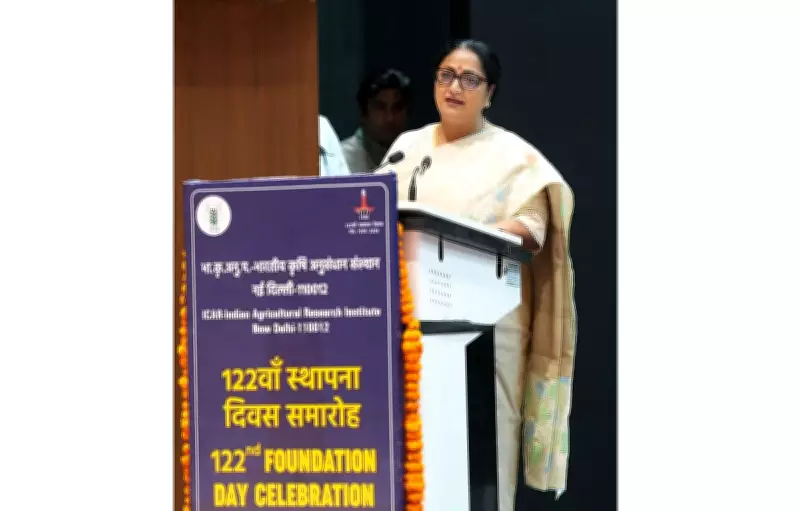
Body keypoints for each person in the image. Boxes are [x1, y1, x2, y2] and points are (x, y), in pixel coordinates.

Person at [377, 40, 577, 510]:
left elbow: (532, 229)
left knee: (480, 461)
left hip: (485, 330)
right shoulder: (407, 148)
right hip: (406, 325)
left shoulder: (514, 158)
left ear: (489, 94)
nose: (455, 87)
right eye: (446, 75)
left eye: (469, 79)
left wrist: (472, 238)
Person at [341, 68, 411, 173]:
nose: (390, 118)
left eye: (397, 107)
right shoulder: (341, 159)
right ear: (364, 113)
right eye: (380, 108)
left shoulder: (418, 154)